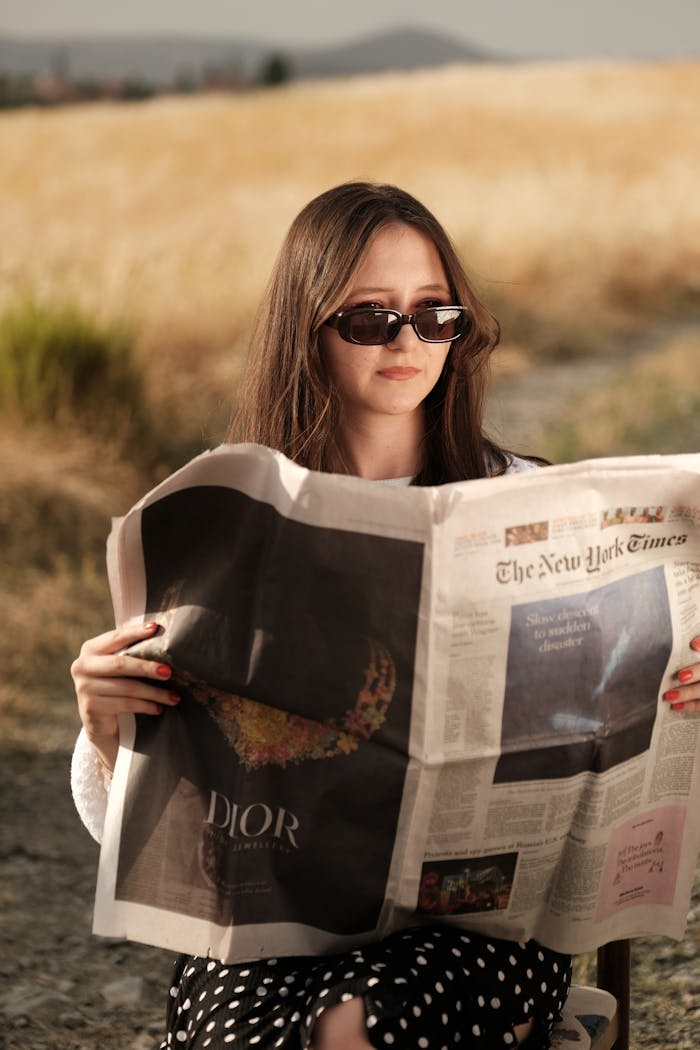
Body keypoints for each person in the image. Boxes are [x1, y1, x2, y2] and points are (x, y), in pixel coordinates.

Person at [70, 182, 700, 1050]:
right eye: (370, 318)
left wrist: (678, 683)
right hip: (272, 934)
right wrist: (106, 728)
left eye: (435, 315)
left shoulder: (525, 499)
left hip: (477, 933)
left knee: (356, 1026)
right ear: (307, 330)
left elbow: (625, 715)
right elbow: (138, 826)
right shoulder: (226, 515)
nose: (409, 342)